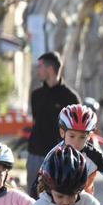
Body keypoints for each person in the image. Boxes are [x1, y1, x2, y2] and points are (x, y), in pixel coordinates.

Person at [35, 104, 103, 205]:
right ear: (62, 132)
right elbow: (38, 183)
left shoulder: (95, 155)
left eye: (82, 137)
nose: (76, 142)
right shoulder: (54, 154)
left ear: (89, 136)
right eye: (72, 136)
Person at [26, 52, 80, 194]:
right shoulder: (36, 95)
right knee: (33, 195)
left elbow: (78, 128)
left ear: (49, 69)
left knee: (59, 193)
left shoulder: (70, 97)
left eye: (40, 67)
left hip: (60, 155)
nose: (38, 70)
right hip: (35, 153)